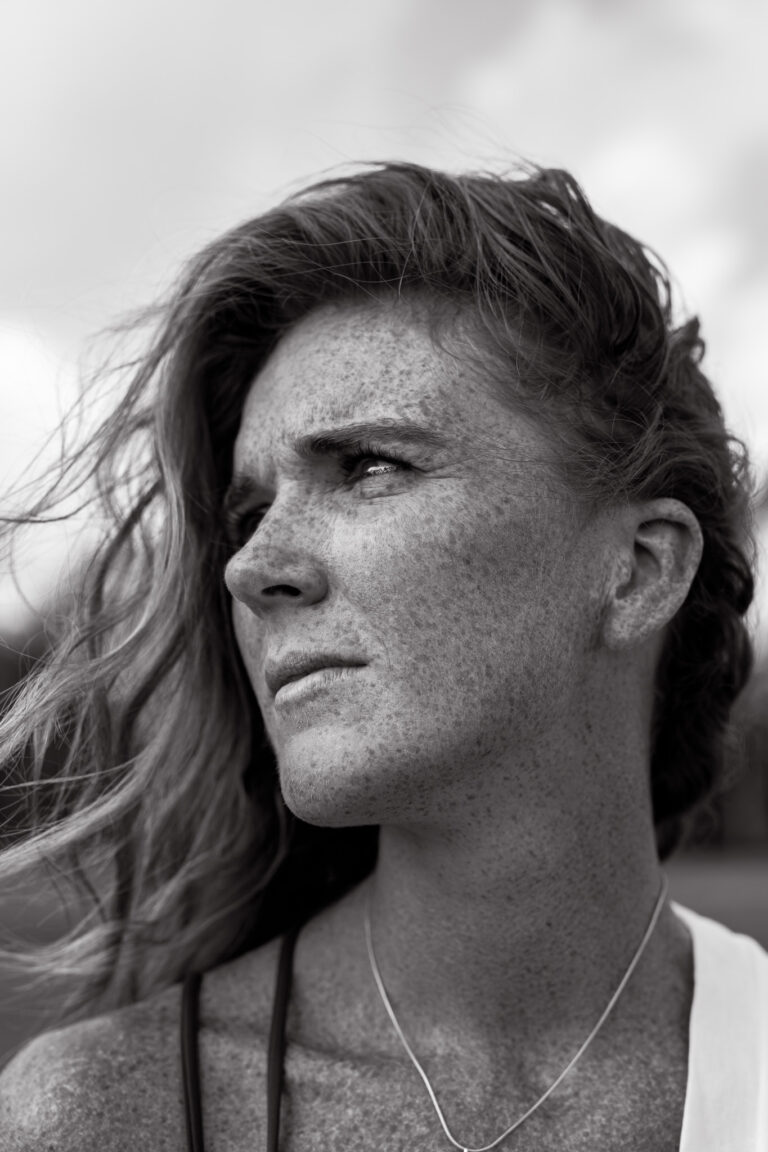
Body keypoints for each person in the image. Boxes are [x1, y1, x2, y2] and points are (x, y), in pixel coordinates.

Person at [0, 159, 766, 1151]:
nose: (253, 568)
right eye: (248, 511)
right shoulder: (102, 1115)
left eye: (367, 467)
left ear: (636, 571)